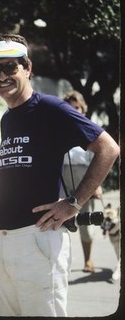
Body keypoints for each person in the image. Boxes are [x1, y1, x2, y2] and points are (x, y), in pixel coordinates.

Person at [0, 33, 120, 316]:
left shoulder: (51, 108)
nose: (1, 76)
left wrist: (73, 202)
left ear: (27, 67)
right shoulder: (8, 118)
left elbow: (108, 148)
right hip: (6, 244)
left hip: (39, 241)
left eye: (10, 67)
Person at [60, 90, 103, 273]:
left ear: (83, 109)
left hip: (84, 176)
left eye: (77, 107)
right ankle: (63, 261)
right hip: (62, 175)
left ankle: (88, 260)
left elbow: (98, 158)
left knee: (85, 220)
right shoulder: (57, 128)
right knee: (61, 219)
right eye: (70, 107)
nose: (74, 110)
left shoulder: (90, 128)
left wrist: (97, 184)